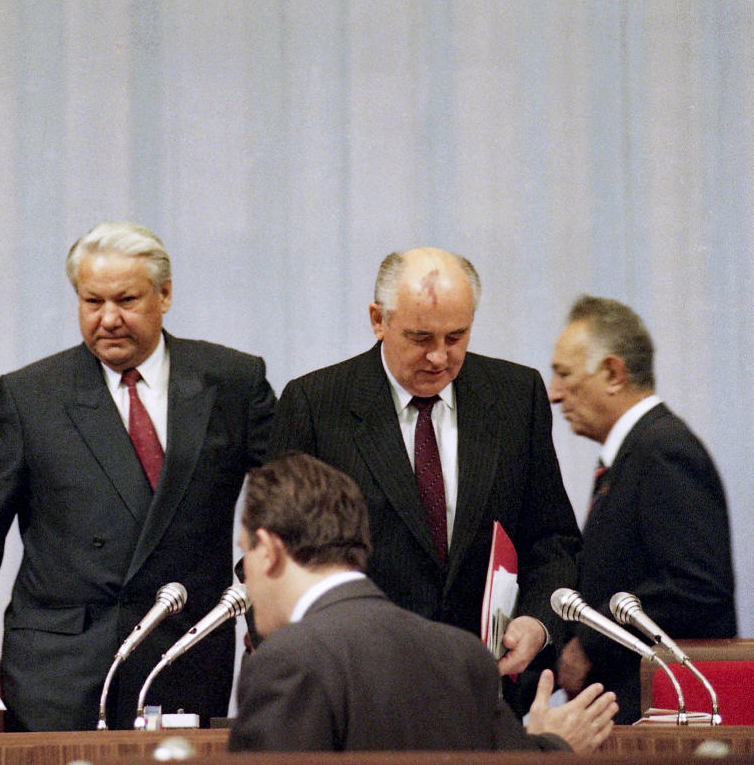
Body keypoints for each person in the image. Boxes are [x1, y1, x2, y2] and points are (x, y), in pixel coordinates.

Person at [0, 221, 276, 730]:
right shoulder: (33, 395)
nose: (108, 319)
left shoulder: (231, 382)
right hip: (58, 671)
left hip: (182, 656)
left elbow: (293, 510)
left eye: (126, 300)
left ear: (164, 294)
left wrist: (249, 601)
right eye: (91, 302)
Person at [267, 248, 580, 682]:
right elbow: (277, 558)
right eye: (420, 338)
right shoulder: (316, 406)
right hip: (360, 685)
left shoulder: (515, 396)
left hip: (484, 682)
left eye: (455, 337)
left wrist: (538, 623)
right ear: (378, 320)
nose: (439, 357)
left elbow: (552, 542)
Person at [230, 452, 617, 752]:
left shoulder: (287, 660)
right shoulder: (463, 655)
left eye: (244, 551)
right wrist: (551, 746)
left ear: (267, 550)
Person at [549, 294, 736, 723]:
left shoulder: (663, 452)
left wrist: (589, 643)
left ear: (613, 373)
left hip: (664, 718)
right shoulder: (637, 455)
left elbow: (697, 588)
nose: (555, 394)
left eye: (564, 375)